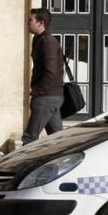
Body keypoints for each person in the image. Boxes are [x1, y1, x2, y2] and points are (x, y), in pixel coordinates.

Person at [22, 8, 64, 145]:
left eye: (30, 20)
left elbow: (50, 72)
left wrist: (38, 91)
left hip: (46, 97)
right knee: (57, 139)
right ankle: (64, 163)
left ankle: (22, 166)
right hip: (51, 96)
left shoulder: (47, 42)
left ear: (40, 23)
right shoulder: (39, 40)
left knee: (29, 138)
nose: (27, 22)